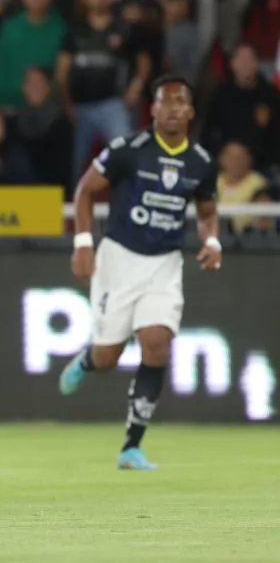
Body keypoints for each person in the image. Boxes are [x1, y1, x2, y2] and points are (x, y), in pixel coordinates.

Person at [59, 75, 221, 470]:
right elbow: (84, 191)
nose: (172, 108)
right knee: (109, 355)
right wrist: (83, 243)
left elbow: (207, 211)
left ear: (190, 110)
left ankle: (132, 445)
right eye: (164, 101)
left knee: (156, 342)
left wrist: (212, 241)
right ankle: (88, 360)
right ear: (153, 108)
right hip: (118, 260)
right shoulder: (128, 150)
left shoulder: (200, 163)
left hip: (165, 263)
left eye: (180, 101)